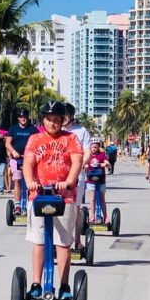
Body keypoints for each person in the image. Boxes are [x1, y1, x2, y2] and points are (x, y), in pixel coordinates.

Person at [23, 100, 83, 300]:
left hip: (64, 197)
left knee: (63, 243)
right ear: (43, 120)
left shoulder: (71, 139)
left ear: (63, 121)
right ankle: (36, 284)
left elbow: (77, 161)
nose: (52, 123)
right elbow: (28, 163)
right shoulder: (34, 139)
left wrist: (69, 181)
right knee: (39, 242)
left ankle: (64, 286)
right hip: (39, 196)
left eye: (57, 120)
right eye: (49, 119)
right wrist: (31, 181)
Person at [63, 102, 91, 250]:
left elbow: (87, 152)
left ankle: (77, 241)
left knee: (75, 208)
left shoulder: (81, 131)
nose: (64, 118)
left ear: (71, 116)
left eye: (66, 115)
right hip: (59, 175)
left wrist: (79, 166)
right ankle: (59, 241)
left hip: (77, 176)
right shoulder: (57, 131)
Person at [5, 109, 38, 215]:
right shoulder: (13, 129)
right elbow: (8, 143)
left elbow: (38, 142)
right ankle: (18, 205)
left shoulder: (33, 129)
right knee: (17, 181)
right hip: (17, 159)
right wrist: (13, 152)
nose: (23, 118)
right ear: (18, 118)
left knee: (30, 183)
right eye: (21, 116)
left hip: (29, 159)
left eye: (25, 116)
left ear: (28, 117)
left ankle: (30, 203)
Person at [85, 139, 111, 224]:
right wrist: (84, 165)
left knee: (102, 199)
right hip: (91, 181)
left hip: (101, 180)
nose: (94, 149)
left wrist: (106, 164)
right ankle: (92, 216)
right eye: (92, 147)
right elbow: (82, 162)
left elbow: (107, 162)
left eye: (96, 147)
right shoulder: (88, 156)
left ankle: (106, 217)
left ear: (98, 147)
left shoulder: (102, 155)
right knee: (92, 200)